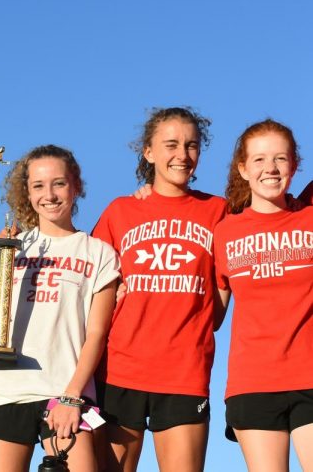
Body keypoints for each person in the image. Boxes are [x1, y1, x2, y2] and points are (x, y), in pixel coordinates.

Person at [91, 107, 228, 472]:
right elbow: (89, 288)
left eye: (191, 145)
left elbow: (218, 307)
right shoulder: (119, 211)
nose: (182, 155)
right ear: (149, 152)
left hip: (185, 373)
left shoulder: (218, 211)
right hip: (119, 372)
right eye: (171, 145)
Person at [0, 145, 118, 472]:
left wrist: (71, 396)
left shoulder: (98, 252)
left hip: (66, 393)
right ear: (27, 191)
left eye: (59, 183)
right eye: (38, 185)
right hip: (4, 392)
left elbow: (97, 334)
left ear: (75, 185)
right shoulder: (8, 249)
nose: (49, 195)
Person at [213, 119, 313, 471]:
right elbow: (211, 317)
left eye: (280, 159)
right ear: (243, 168)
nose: (270, 168)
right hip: (252, 383)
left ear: (295, 165)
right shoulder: (224, 233)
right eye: (258, 160)